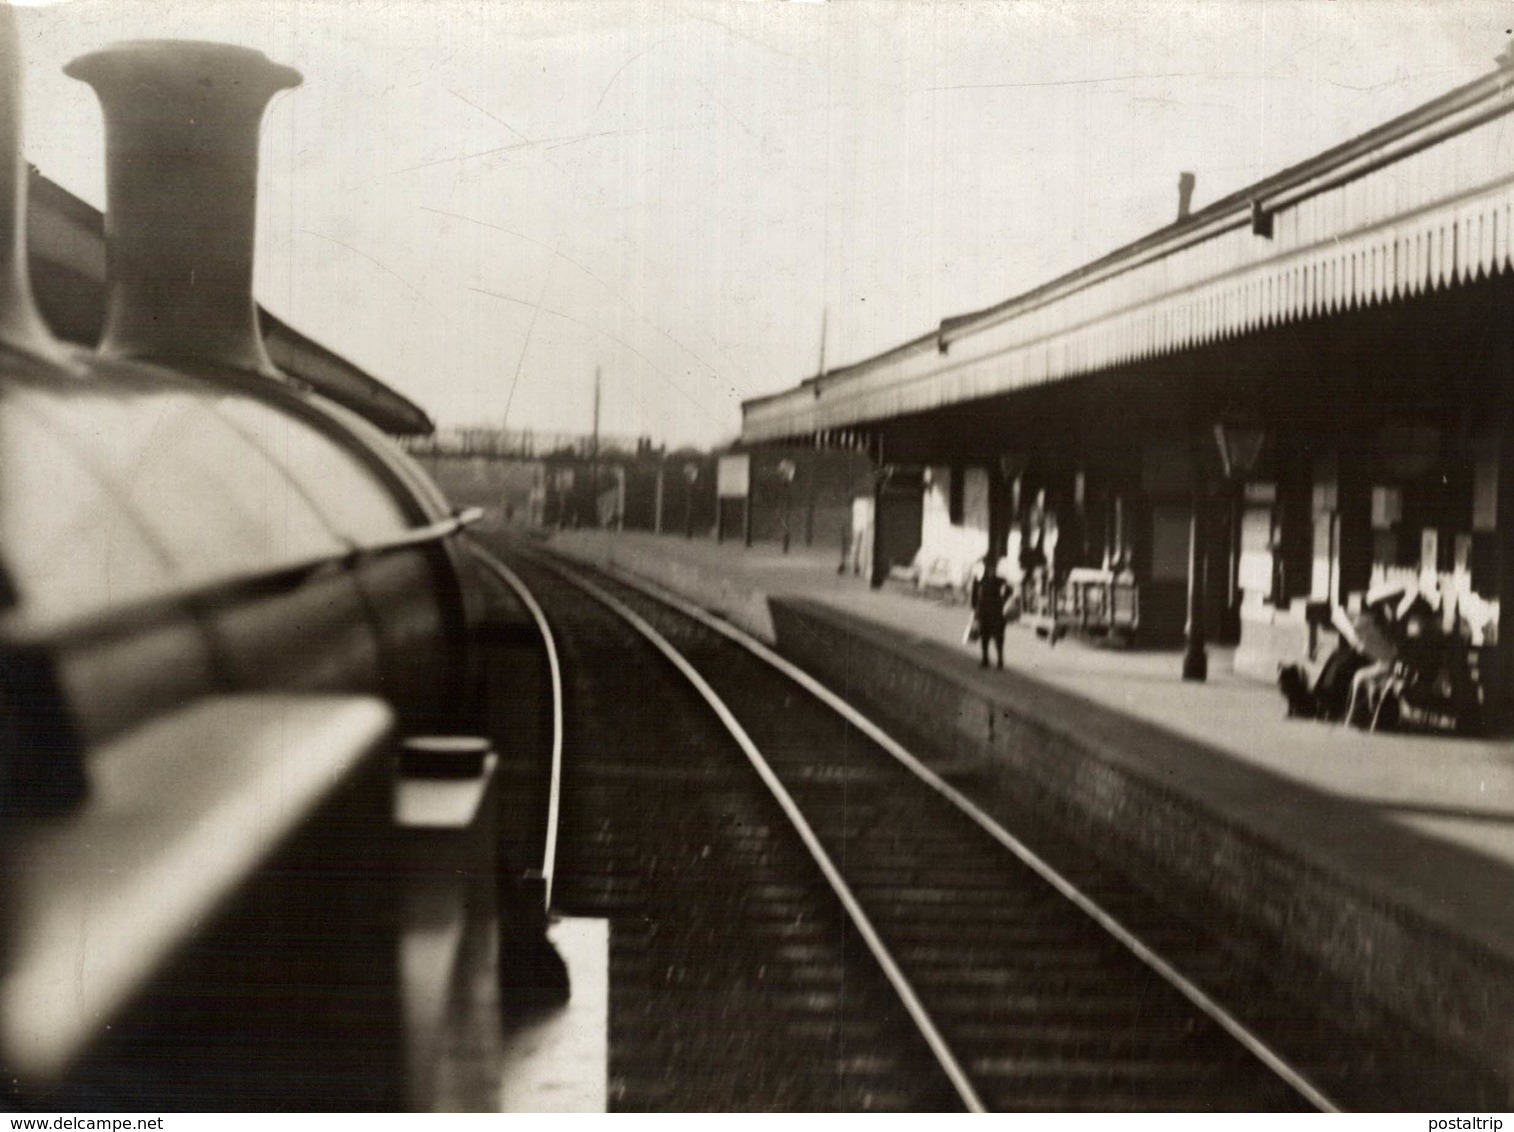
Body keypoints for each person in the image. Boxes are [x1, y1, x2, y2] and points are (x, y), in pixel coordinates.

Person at [970, 553, 1012, 669]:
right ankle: (986, 659)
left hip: (995, 611)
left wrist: (1003, 601)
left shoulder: (998, 579)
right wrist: (975, 608)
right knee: (985, 636)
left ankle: (999, 660)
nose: (988, 567)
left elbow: (1009, 590)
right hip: (987, 611)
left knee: (997, 636)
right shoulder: (981, 579)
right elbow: (974, 594)